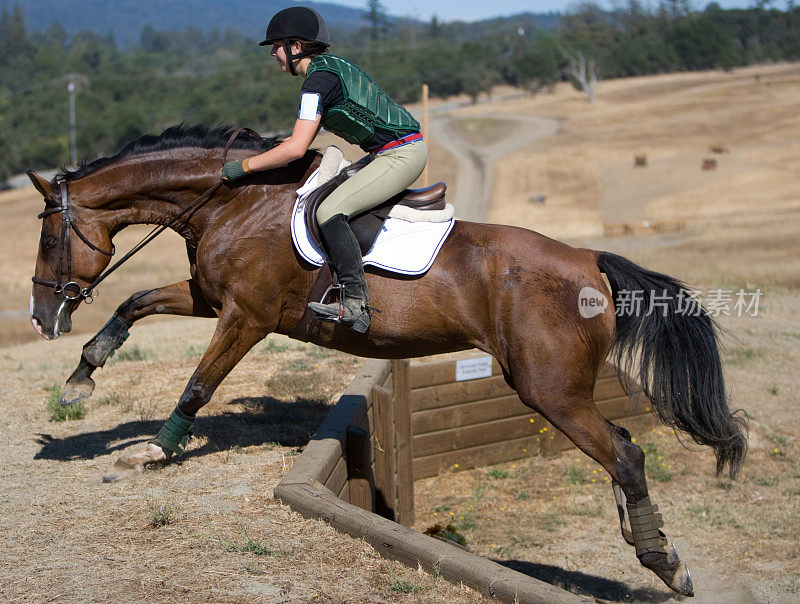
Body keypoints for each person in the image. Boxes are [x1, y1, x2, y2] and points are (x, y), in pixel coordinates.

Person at [221, 7, 427, 333]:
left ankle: (355, 302)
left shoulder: (317, 82)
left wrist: (244, 167)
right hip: (389, 152)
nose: (274, 54)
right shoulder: (326, 70)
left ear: (296, 46)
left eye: (277, 46)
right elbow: (295, 138)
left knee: (330, 209)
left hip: (401, 155)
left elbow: (296, 148)